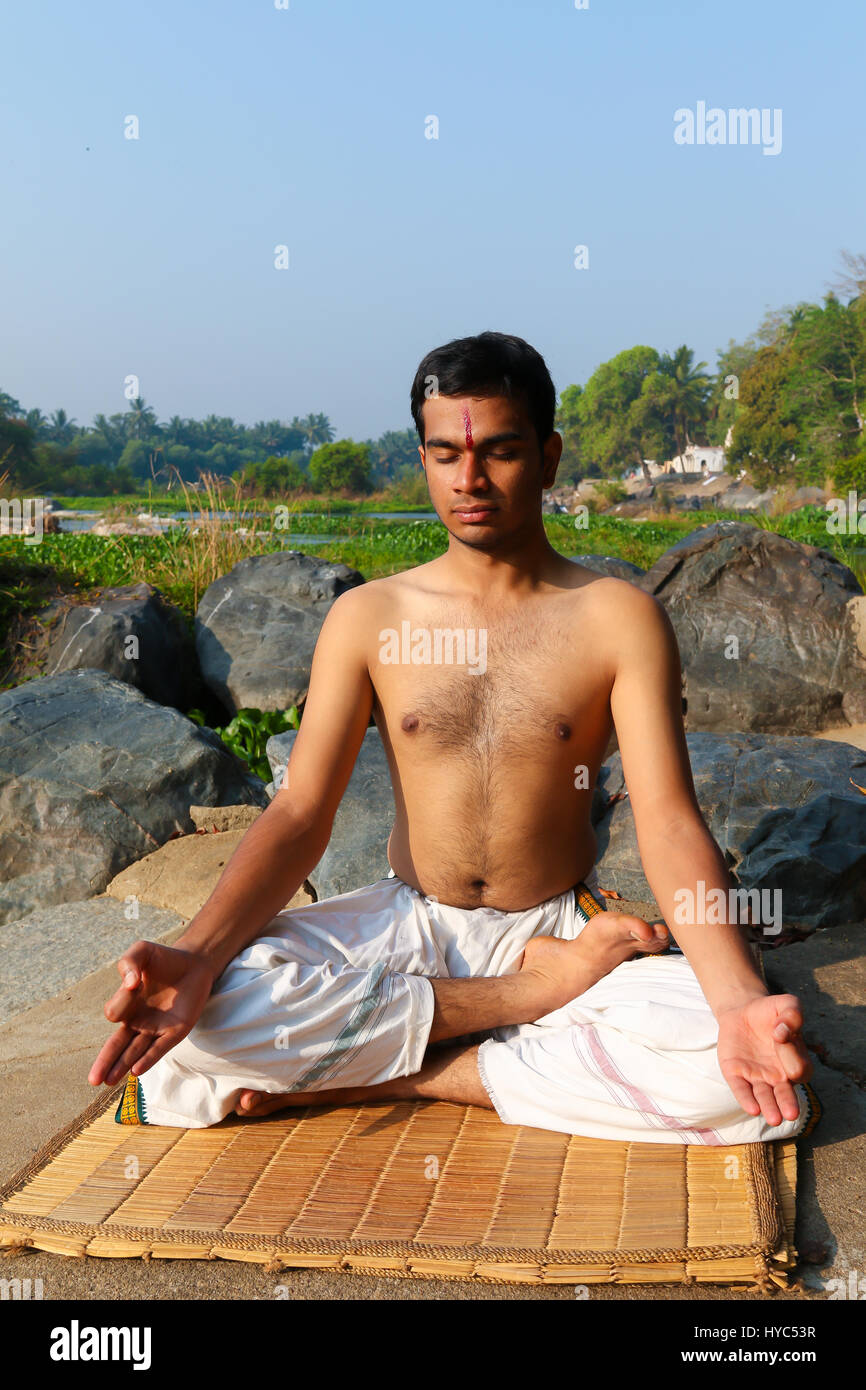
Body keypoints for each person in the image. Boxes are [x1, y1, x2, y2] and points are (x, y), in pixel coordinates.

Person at [91, 331, 815, 1142]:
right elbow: (299, 813)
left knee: (737, 1081)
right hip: (411, 923)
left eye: (500, 453)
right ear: (425, 460)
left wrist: (733, 1001)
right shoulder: (369, 617)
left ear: (548, 458)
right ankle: (521, 1012)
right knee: (212, 1016)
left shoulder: (617, 618)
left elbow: (671, 822)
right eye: (444, 456)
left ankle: (412, 1073)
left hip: (554, 927)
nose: (469, 480)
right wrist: (195, 955)